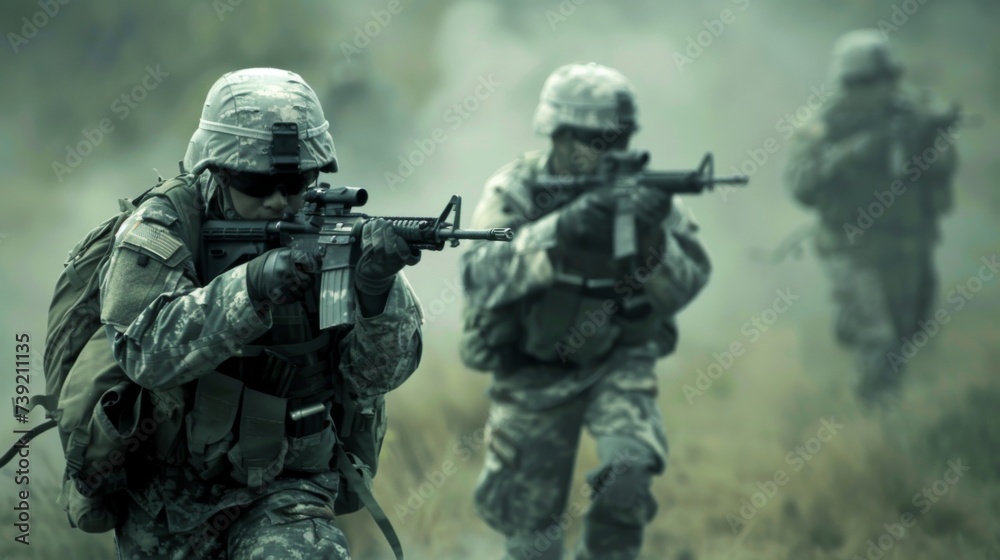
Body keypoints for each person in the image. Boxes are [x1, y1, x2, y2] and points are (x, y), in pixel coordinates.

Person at [98, 67, 424, 558]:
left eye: (295, 182)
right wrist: (251, 287)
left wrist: (376, 292)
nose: (279, 200)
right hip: (167, 495)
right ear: (215, 170)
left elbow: (375, 377)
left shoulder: (331, 234)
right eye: (256, 182)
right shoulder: (164, 224)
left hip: (288, 484)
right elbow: (145, 352)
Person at [458, 62, 711, 560]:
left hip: (616, 362)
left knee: (629, 475)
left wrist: (651, 239)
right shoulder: (516, 190)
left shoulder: (644, 195)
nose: (606, 153)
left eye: (617, 139)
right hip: (532, 372)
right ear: (558, 132)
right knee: (532, 535)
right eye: (593, 140)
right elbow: (480, 276)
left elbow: (686, 285)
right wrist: (562, 229)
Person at [784, 30, 960, 407]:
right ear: (848, 85)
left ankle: (882, 392)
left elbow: (944, 169)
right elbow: (801, 186)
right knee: (878, 337)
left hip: (909, 246)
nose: (881, 90)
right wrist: (853, 152)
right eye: (868, 82)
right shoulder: (823, 124)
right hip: (852, 249)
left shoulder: (913, 114)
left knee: (910, 329)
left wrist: (925, 142)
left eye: (888, 80)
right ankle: (876, 423)